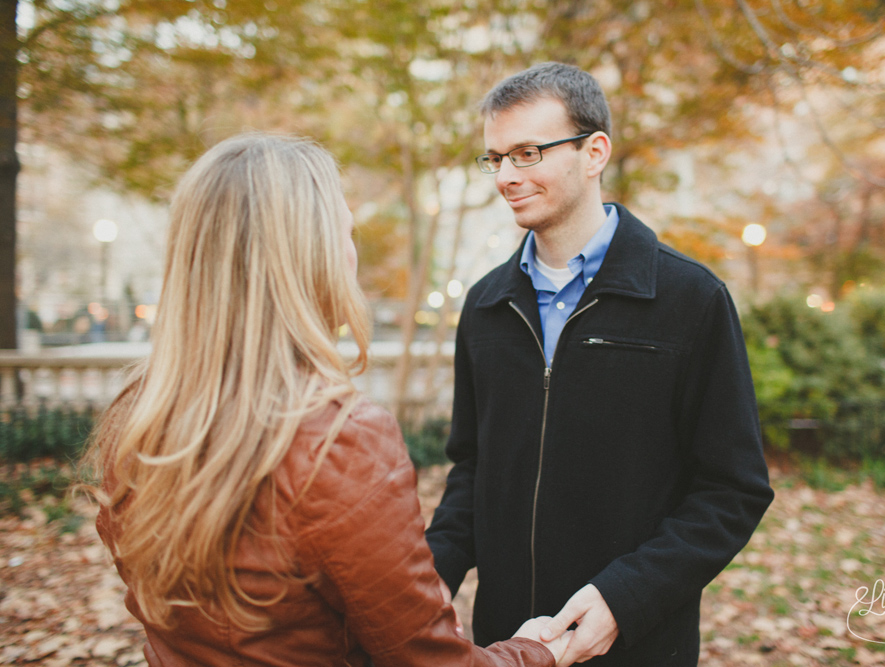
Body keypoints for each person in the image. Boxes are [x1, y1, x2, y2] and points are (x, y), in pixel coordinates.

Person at [85, 134, 574, 667]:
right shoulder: (336, 438)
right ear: (309, 255)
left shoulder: (137, 416)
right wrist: (535, 651)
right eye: (346, 232)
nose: (353, 252)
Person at [425, 63, 774, 666]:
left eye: (528, 153)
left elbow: (732, 489)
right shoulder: (485, 306)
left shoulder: (690, 300)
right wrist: (428, 582)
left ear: (594, 153)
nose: (507, 176)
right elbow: (473, 469)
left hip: (638, 643)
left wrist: (624, 598)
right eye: (496, 158)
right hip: (507, 645)